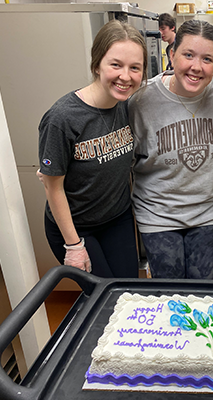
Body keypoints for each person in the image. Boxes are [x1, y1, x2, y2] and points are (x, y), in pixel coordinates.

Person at [128, 20, 213, 279]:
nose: (196, 67)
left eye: (207, 59)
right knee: (168, 294)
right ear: (172, 54)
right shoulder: (141, 100)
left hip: (208, 213)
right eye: (188, 55)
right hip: (157, 214)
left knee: (204, 292)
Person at [38, 20, 147, 278]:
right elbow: (52, 187)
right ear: (97, 64)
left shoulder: (127, 106)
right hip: (76, 227)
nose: (125, 76)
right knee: (101, 297)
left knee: (127, 289)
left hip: (117, 218)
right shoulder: (62, 118)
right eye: (116, 64)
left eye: (135, 68)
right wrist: (74, 246)